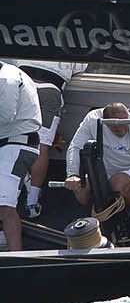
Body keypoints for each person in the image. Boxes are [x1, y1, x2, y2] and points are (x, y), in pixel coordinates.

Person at [65, 102, 130, 244]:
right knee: (81, 194)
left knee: (118, 183)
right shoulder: (92, 120)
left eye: (124, 123)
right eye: (115, 126)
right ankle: (107, 217)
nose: (121, 128)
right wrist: (72, 174)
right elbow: (76, 147)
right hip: (106, 172)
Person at [15, 60, 88, 220]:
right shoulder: (75, 44)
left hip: (21, 85)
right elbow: (81, 66)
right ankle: (32, 202)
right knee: (41, 146)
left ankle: (10, 194)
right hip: (49, 90)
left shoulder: (30, 36)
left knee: (11, 141)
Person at [0, 60, 42, 252]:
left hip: (16, 145)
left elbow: (5, 115)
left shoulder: (6, 78)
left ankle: (16, 261)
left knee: (4, 207)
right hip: (8, 141)